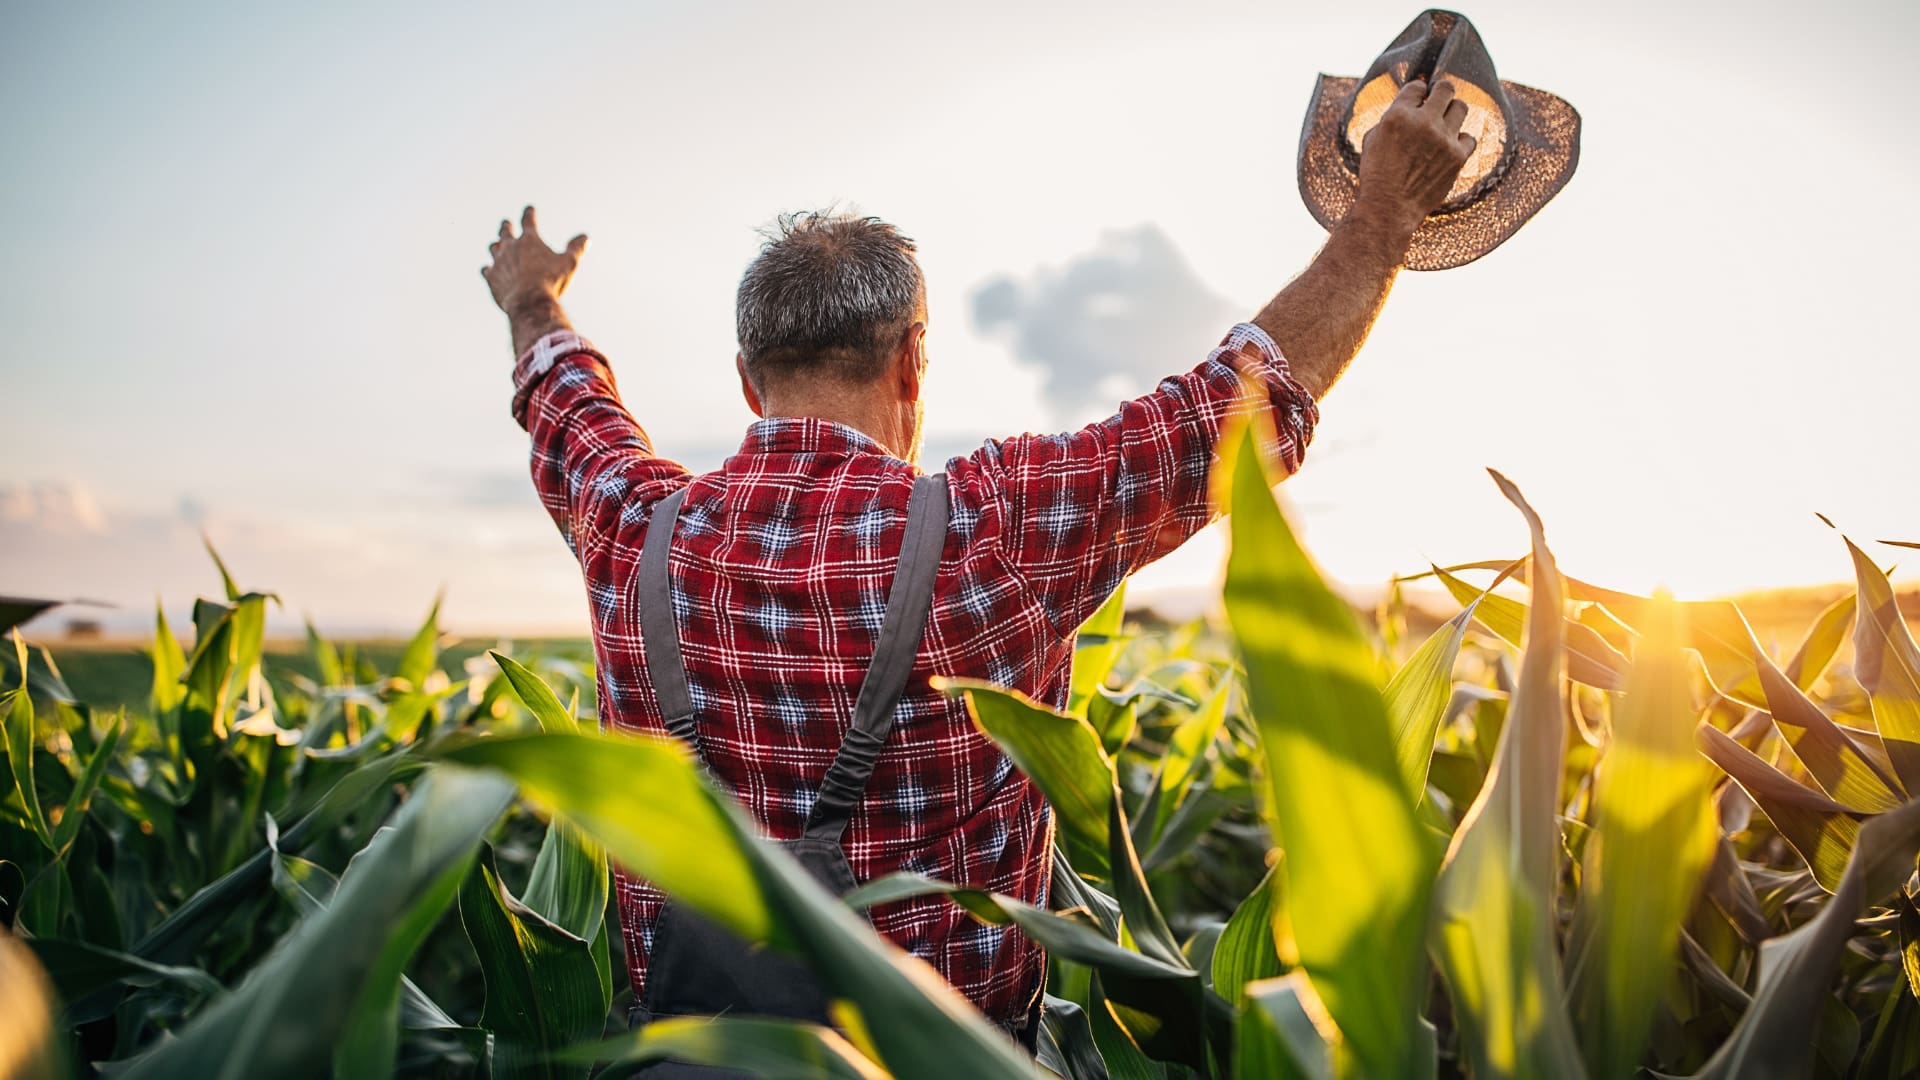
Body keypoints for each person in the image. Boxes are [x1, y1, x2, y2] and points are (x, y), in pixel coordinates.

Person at [481, 77, 1475, 1056]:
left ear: (749, 382)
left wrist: (533, 296)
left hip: (697, 1061)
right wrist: (1385, 211)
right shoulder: (993, 529)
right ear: (914, 362)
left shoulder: (631, 523)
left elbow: (568, 397)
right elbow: (1239, 406)